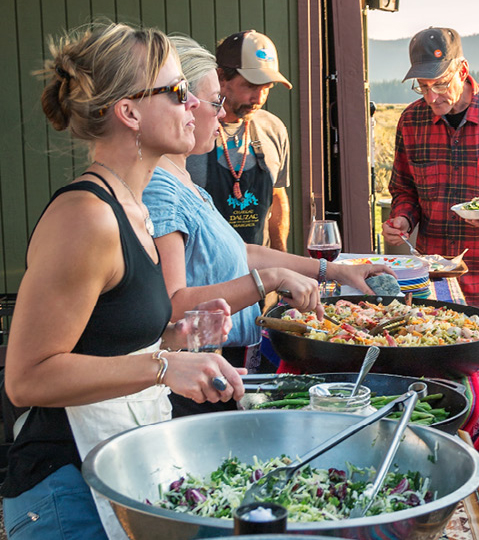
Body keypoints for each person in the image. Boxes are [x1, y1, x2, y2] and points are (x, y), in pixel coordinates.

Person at [1, 22, 245, 539]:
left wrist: (174, 341)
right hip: (66, 493)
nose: (197, 106)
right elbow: (27, 378)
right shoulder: (87, 217)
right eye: (179, 92)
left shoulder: (135, 209)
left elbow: (103, 339)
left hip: (117, 470)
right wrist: (163, 367)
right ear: (129, 113)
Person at [144, 36, 389, 416]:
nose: (220, 114)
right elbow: (174, 306)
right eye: (215, 102)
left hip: (228, 364)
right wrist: (268, 281)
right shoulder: (161, 189)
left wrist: (334, 270)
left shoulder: (185, 183)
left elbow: (242, 252)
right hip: (196, 377)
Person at [382, 27, 479, 393]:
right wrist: (403, 218)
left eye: (439, 83)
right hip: (436, 281)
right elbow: (404, 189)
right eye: (422, 86)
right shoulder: (411, 121)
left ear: (463, 69)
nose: (431, 96)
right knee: (440, 386)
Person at [185, 30, 292, 250]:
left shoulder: (274, 128)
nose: (259, 98)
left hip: (263, 276)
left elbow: (277, 197)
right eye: (251, 86)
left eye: (267, 87)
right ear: (221, 77)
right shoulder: (191, 129)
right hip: (207, 277)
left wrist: (283, 260)